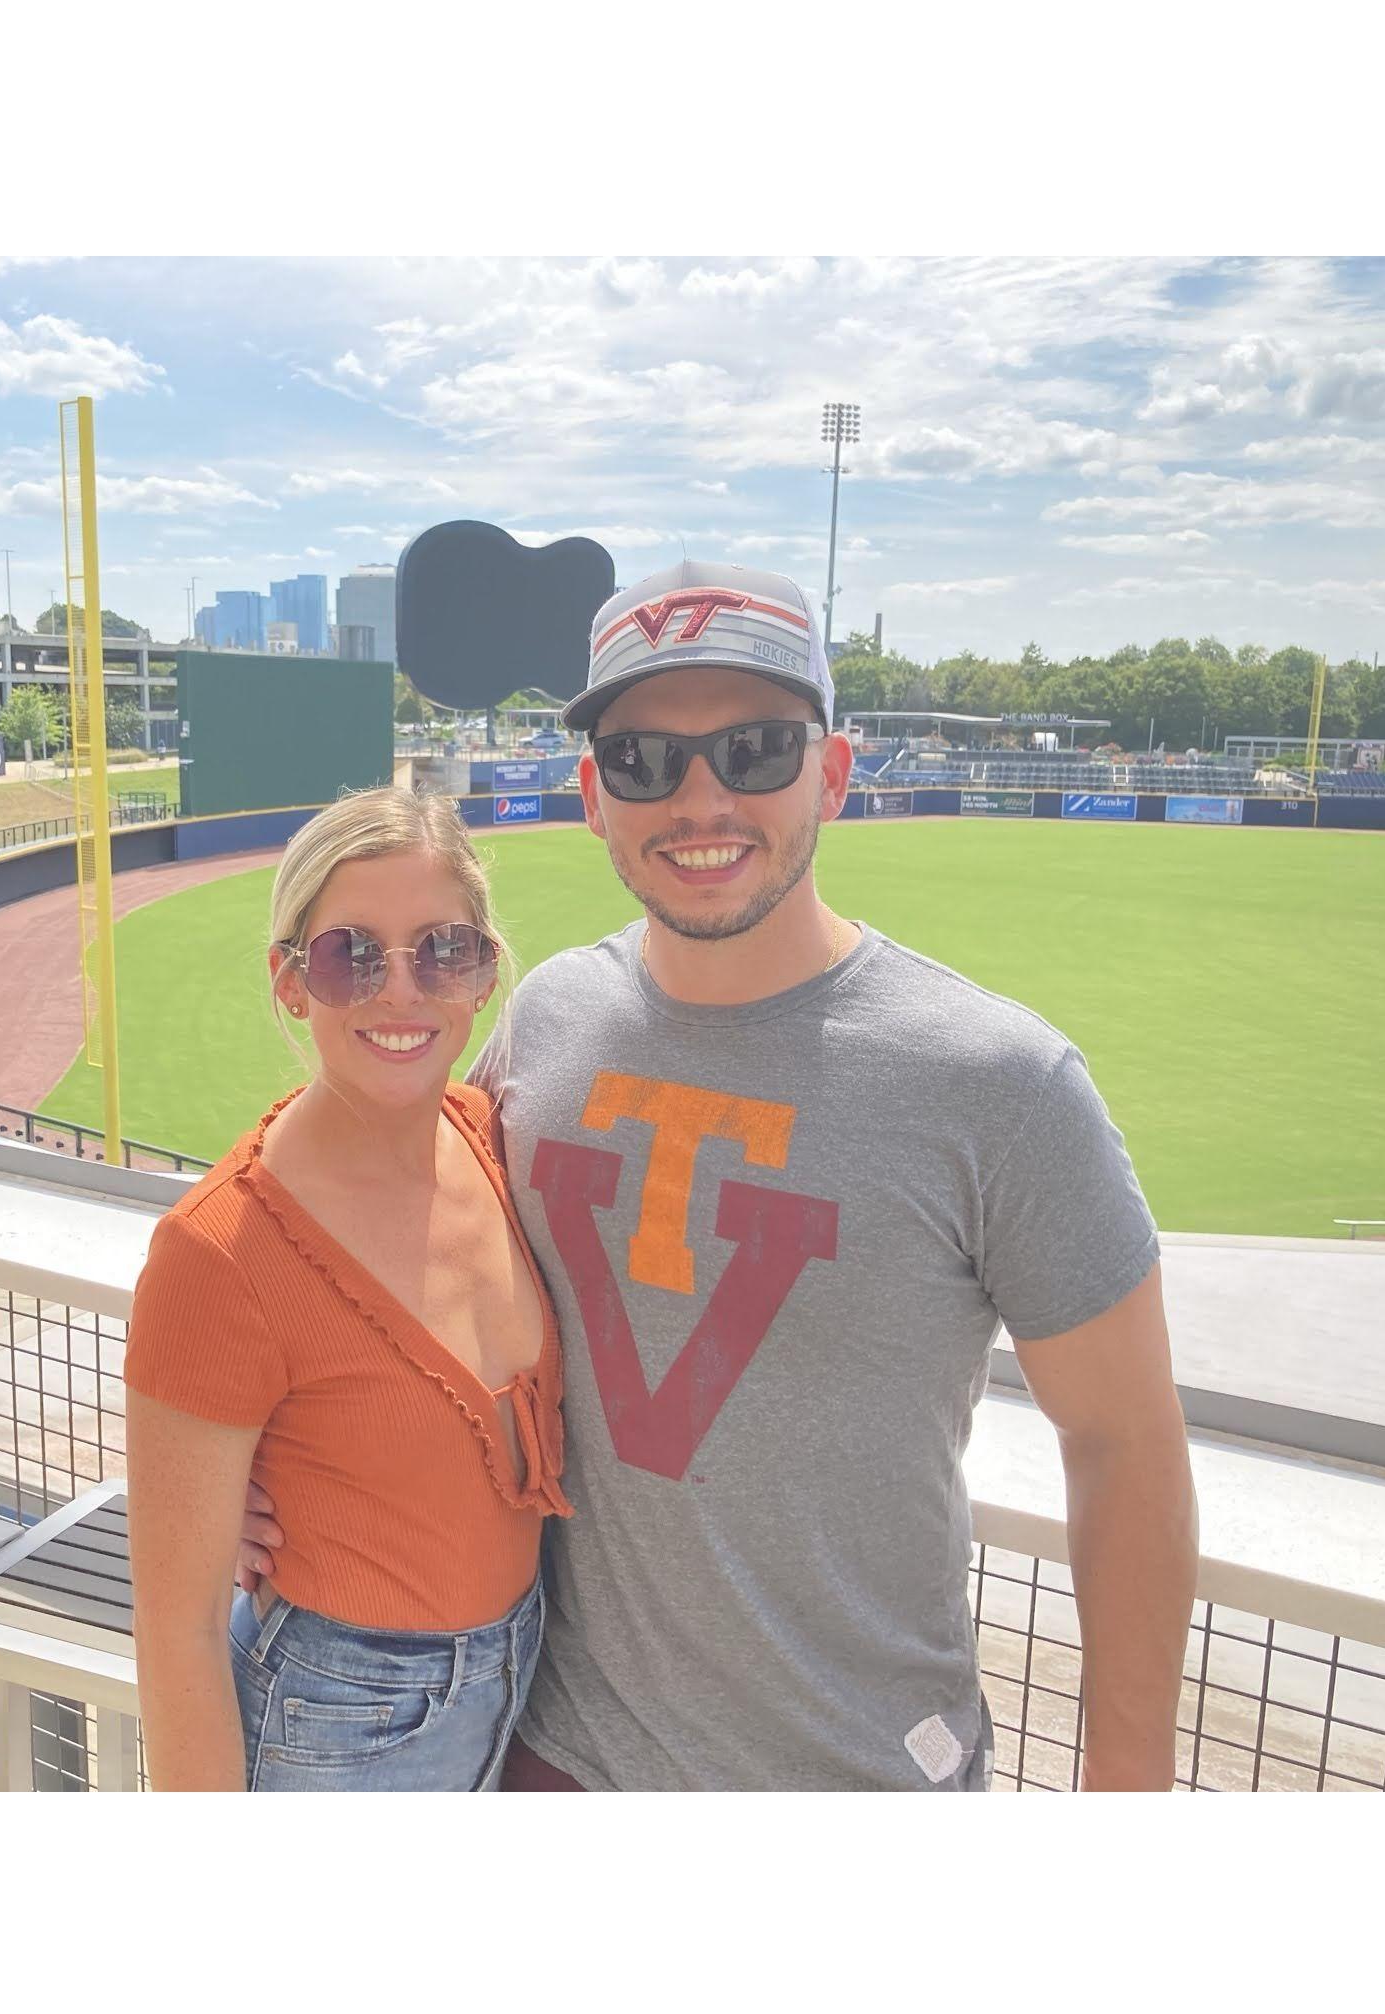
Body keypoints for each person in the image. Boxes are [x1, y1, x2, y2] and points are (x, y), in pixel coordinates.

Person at [240, 560, 1199, 1792]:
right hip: (552, 1754)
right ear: (593, 794)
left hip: (856, 1777)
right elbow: (394, 1229)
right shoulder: (549, 1014)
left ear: (832, 773)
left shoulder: (1002, 1085)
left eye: (753, 749)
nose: (700, 800)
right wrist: (266, 1453)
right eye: (644, 759)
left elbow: (1123, 1443)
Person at [125, 786, 570, 1791]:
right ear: (289, 979)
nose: (400, 991)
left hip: (523, 1679)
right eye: (350, 954)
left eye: (441, 949)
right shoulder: (220, 1250)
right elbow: (175, 1630)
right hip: (333, 1717)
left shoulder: (492, 1137)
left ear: (484, 970)